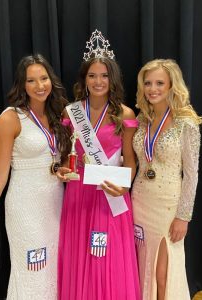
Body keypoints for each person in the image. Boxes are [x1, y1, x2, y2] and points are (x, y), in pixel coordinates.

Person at [57, 29, 141, 300]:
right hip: (79, 194)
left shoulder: (124, 114)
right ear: (84, 78)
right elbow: (62, 157)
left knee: (107, 259)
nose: (98, 81)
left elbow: (130, 162)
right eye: (92, 75)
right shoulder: (71, 112)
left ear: (112, 78)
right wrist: (62, 171)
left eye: (104, 75)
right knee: (81, 256)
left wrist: (123, 188)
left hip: (110, 194)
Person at [0, 53, 71, 299]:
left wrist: (60, 170)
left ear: (51, 80)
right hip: (25, 209)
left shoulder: (58, 115)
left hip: (55, 204)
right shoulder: (11, 118)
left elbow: (54, 161)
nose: (39, 86)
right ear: (22, 85)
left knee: (52, 272)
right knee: (31, 269)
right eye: (31, 80)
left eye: (44, 78)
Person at [131, 58, 202, 300]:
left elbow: (192, 175)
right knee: (142, 269)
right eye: (148, 83)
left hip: (168, 207)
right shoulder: (141, 120)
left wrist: (183, 216)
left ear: (172, 85)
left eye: (159, 83)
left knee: (162, 274)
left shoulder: (187, 123)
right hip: (140, 202)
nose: (153, 89)